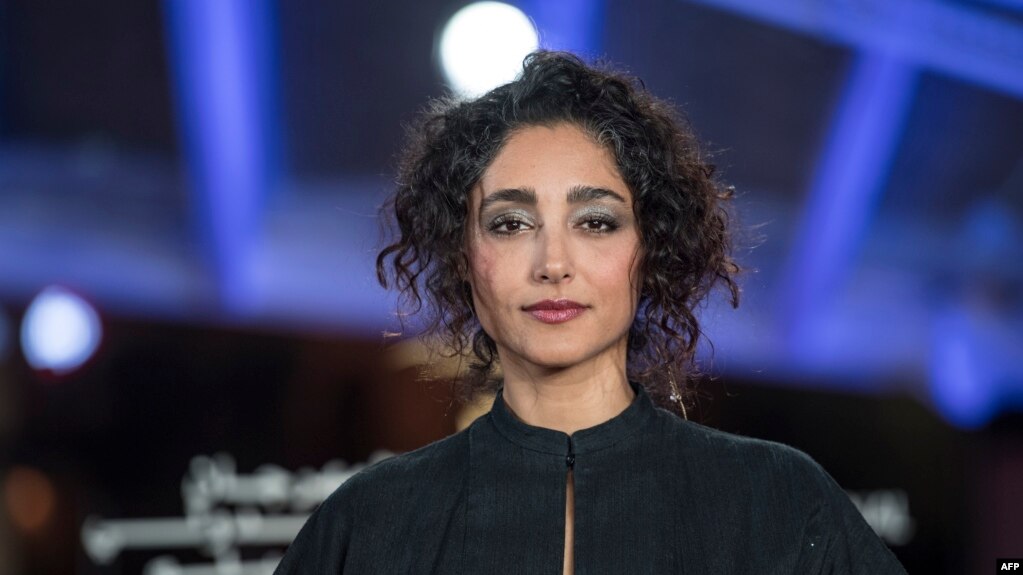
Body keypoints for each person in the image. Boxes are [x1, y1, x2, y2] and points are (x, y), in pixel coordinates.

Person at [274, 51, 907, 574]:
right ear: (465, 258)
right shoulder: (368, 526)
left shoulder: (779, 502)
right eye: (511, 223)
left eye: (596, 222)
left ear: (650, 247)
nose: (554, 262)